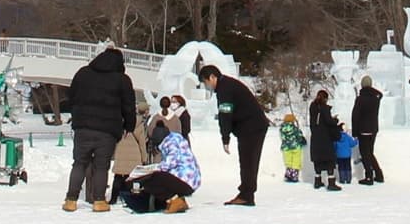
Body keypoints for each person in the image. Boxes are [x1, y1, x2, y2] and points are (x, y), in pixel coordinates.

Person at [64, 45, 138, 213]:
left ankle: (71, 199)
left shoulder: (83, 73)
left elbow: (71, 96)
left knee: (79, 163)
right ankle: (99, 201)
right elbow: (128, 106)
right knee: (101, 166)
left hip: (82, 127)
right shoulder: (122, 79)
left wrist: (77, 116)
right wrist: (129, 126)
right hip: (107, 131)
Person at [201, 64, 270, 206]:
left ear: (212, 77)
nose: (206, 86)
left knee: (248, 161)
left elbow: (225, 115)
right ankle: (246, 193)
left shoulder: (225, 89)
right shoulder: (226, 85)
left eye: (205, 82)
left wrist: (225, 138)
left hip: (252, 127)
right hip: (250, 127)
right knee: (247, 161)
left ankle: (247, 195)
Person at [122, 129, 201, 214]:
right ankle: (179, 201)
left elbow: (171, 162)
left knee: (156, 179)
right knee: (158, 178)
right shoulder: (176, 138)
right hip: (191, 179)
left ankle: (175, 201)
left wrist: (152, 169)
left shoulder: (170, 143)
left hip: (185, 180)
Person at [109, 102, 153, 205]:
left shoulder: (119, 121)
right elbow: (142, 143)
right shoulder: (139, 124)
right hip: (134, 152)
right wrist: (144, 157)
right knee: (131, 177)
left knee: (118, 176)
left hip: (121, 150)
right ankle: (128, 198)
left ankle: (113, 198)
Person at [352, 74, 385, 185]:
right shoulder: (376, 98)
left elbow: (355, 116)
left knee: (365, 153)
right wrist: (370, 88)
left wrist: (354, 132)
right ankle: (379, 174)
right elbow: (380, 94)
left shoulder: (360, 99)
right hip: (373, 129)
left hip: (363, 129)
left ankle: (369, 176)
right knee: (370, 153)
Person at [309, 89, 342, 191]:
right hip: (325, 138)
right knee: (329, 160)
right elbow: (329, 122)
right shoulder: (324, 108)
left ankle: (317, 181)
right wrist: (335, 120)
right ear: (326, 99)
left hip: (315, 137)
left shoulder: (313, 107)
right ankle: (331, 183)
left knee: (318, 160)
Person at [279, 113, 307, 183]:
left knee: (288, 161)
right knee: (296, 161)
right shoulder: (294, 128)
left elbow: (282, 137)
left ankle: (288, 175)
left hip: (286, 147)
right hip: (295, 146)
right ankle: (294, 176)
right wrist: (302, 140)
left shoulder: (281, 129)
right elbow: (299, 136)